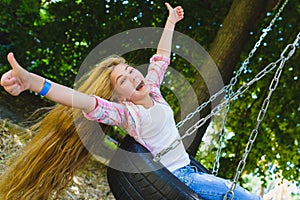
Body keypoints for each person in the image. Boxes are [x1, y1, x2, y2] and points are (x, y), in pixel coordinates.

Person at [0, 2, 263, 200]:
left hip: (190, 170)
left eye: (129, 71)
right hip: (180, 178)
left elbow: (161, 58)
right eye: (122, 80)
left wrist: (170, 22)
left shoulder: (152, 90)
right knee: (238, 194)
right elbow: (81, 100)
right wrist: (33, 82)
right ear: (119, 95)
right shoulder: (129, 114)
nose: (132, 76)